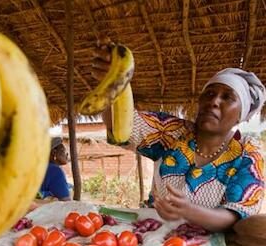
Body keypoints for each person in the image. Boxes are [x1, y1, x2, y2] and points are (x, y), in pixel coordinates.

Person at [93, 38, 265, 232]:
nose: (214, 101)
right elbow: (122, 125)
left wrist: (189, 211)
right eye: (209, 94)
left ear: (240, 116)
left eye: (227, 97)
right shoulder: (172, 132)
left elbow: (235, 215)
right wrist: (111, 85)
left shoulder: (248, 154)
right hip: (150, 234)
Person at [38, 137, 72, 202]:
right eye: (64, 151)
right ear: (54, 152)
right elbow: (66, 201)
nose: (67, 154)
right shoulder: (55, 171)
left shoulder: (41, 167)